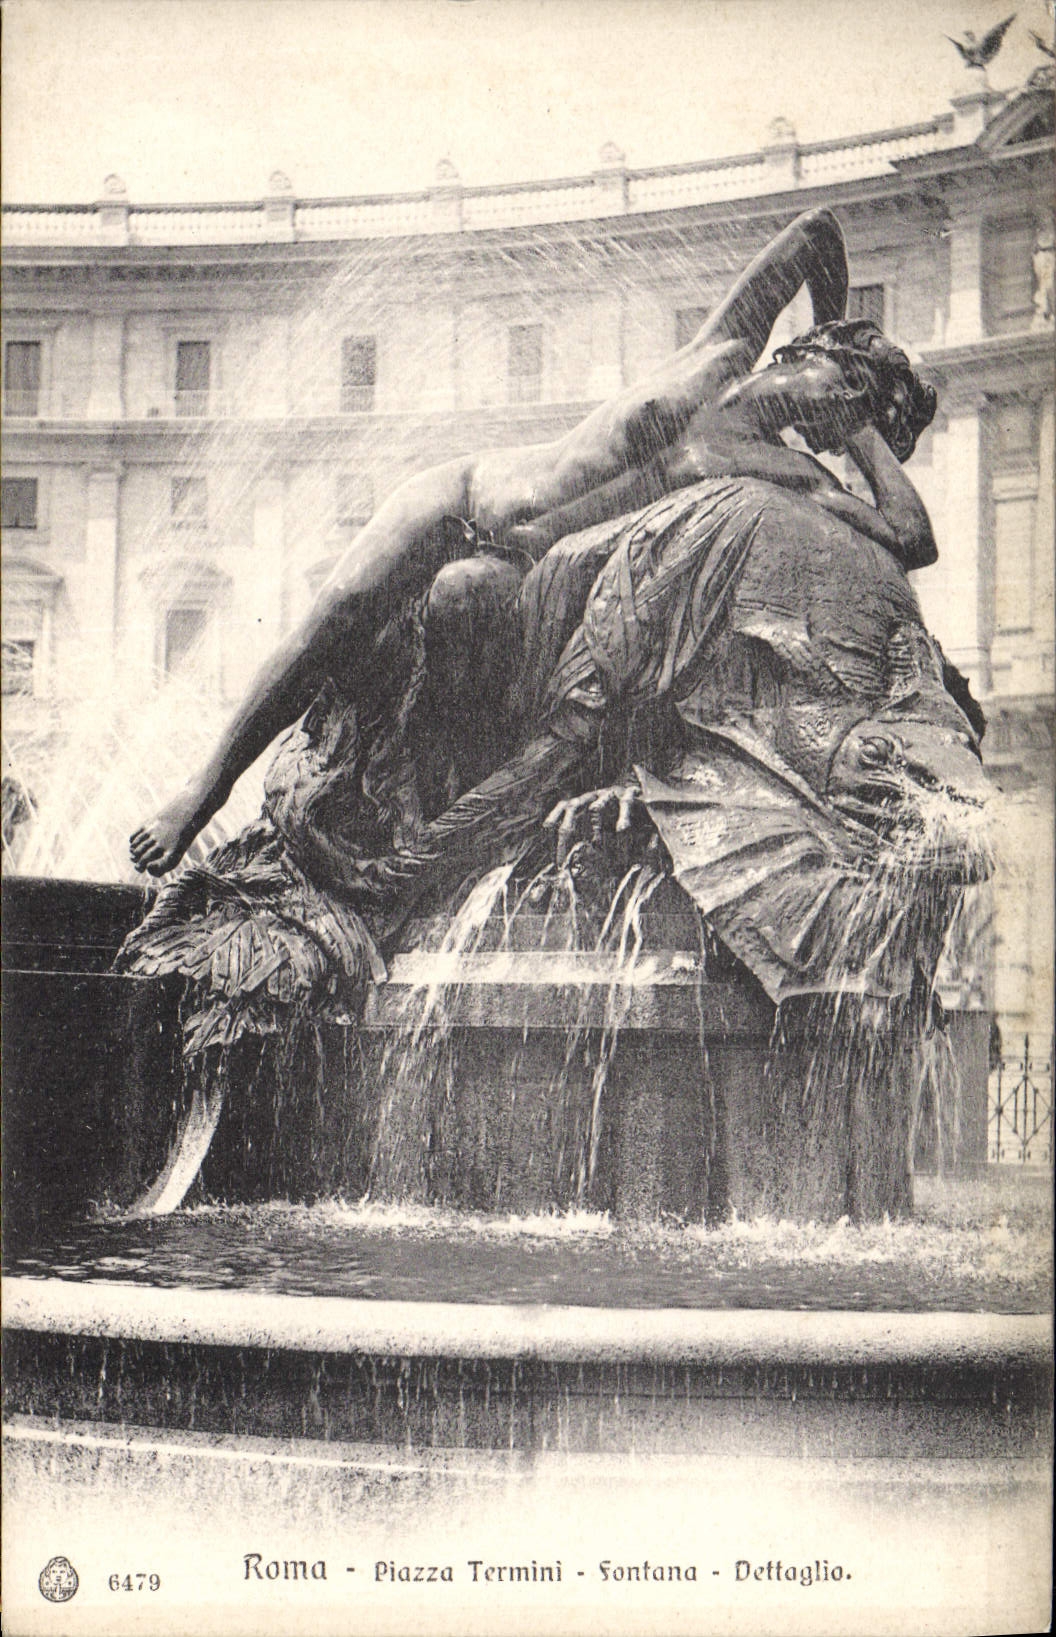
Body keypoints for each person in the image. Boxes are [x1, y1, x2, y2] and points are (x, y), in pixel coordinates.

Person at [130, 206, 857, 878]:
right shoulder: (723, 350)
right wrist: (835, 327)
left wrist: (866, 444)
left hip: (514, 568)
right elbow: (818, 230)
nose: (839, 406)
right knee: (338, 615)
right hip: (463, 494)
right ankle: (201, 794)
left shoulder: (782, 470)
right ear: (807, 354)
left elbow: (906, 536)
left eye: (856, 409)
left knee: (459, 701)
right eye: (843, 384)